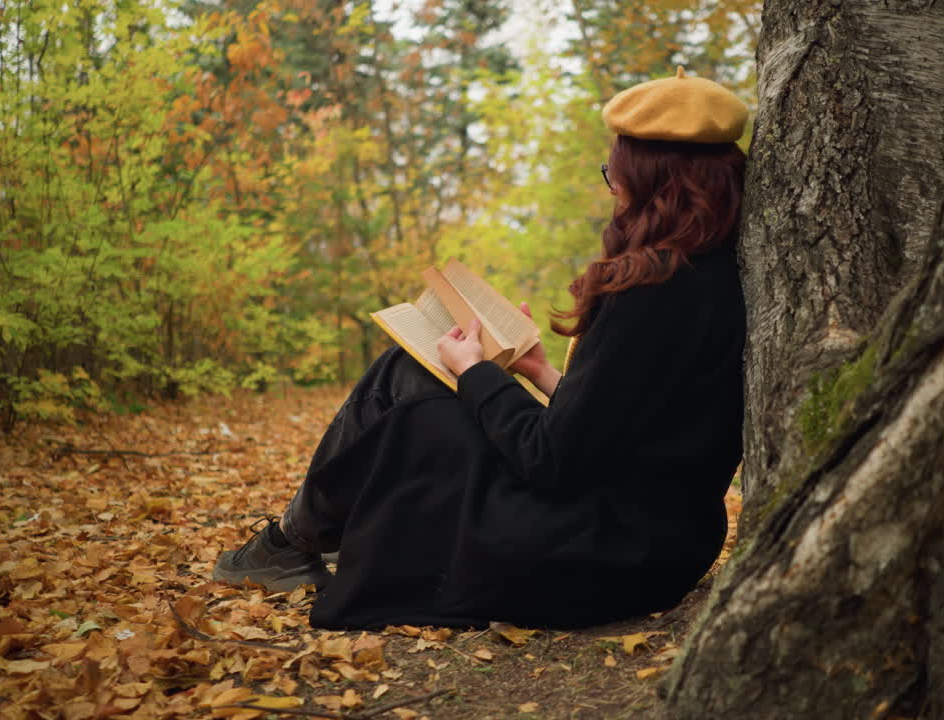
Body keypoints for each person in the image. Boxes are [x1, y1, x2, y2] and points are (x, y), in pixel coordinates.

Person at [212, 67, 749, 630]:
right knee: (413, 377)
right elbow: (626, 430)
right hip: (662, 542)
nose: (614, 190)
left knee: (414, 401)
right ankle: (296, 539)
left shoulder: (655, 290)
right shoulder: (707, 274)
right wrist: (537, 371)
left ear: (651, 178)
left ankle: (289, 541)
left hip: (602, 552)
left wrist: (475, 372)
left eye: (615, 174)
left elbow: (554, 462)